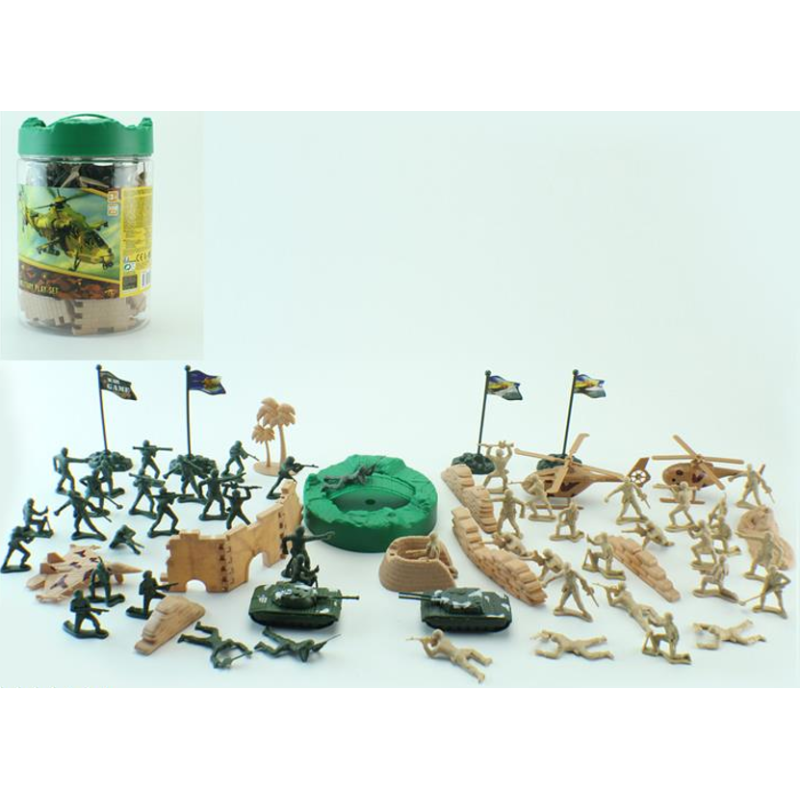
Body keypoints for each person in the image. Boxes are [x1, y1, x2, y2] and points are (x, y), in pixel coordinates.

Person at [411, 629, 492, 683]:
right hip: (458, 653)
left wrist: (425, 644)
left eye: (431, 640)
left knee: (468, 662)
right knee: (470, 656)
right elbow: (439, 634)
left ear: (435, 639)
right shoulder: (443, 642)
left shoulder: (440, 645)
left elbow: (431, 654)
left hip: (458, 653)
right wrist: (426, 643)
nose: (430, 642)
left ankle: (481, 668)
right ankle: (482, 666)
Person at [533, 630, 614, 661]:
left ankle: (605, 653)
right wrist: (542, 634)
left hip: (578, 647)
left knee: (589, 655)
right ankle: (601, 639)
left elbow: (555, 655)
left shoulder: (562, 646)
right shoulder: (559, 635)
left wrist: (542, 653)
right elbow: (550, 633)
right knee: (590, 641)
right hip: (578, 642)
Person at [694, 621, 765, 650]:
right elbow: (697, 624)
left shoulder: (718, 635)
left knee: (746, 642)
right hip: (731, 630)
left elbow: (716, 646)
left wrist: (703, 645)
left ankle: (758, 637)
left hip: (732, 635)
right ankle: (748, 623)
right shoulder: (715, 628)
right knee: (741, 628)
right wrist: (697, 627)